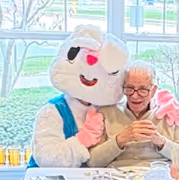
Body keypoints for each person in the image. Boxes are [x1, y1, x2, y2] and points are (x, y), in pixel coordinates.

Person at [29, 26, 129, 168]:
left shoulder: (110, 109)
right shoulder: (53, 111)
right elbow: (45, 157)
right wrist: (82, 140)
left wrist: (159, 108)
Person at [88, 61, 179, 168]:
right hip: (117, 176)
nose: (134, 96)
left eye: (143, 90)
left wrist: (162, 142)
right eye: (129, 88)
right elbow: (93, 162)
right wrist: (119, 140)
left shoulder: (169, 112)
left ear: (153, 91)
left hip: (158, 176)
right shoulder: (106, 112)